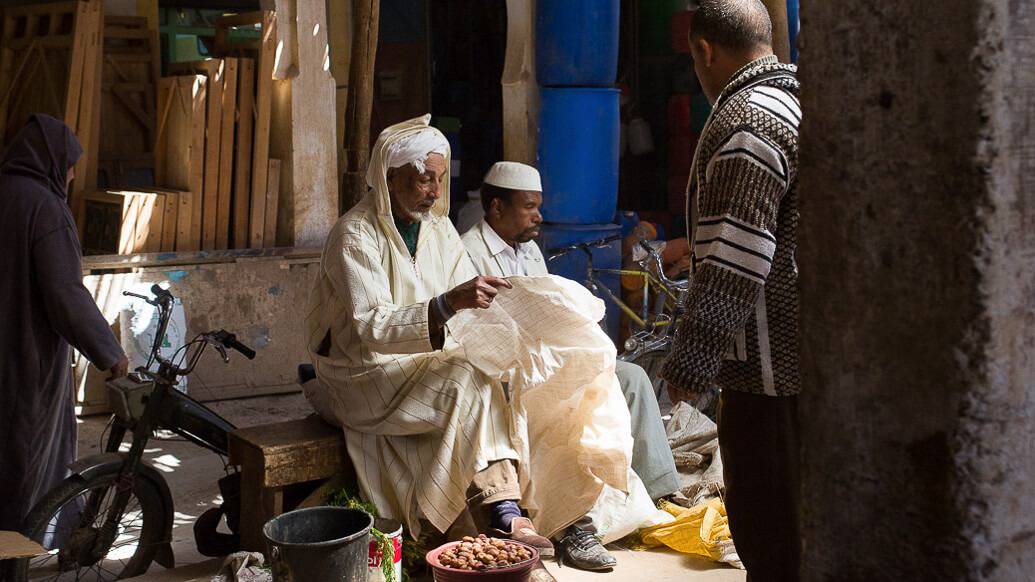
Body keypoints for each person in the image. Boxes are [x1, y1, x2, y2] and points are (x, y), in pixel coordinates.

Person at [304, 115, 646, 559]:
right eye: (423, 179)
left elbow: (473, 306)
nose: (432, 191)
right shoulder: (355, 235)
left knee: (522, 374)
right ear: (388, 177)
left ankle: (565, 515)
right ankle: (502, 509)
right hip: (365, 373)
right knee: (470, 381)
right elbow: (371, 327)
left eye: (438, 180)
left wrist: (526, 317)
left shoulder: (439, 229)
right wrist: (448, 304)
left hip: (426, 360)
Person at [460, 161, 681, 570]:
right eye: (529, 207)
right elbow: (479, 331)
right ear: (495, 207)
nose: (539, 216)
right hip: (504, 367)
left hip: (550, 357)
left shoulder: (528, 250)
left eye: (538, 206)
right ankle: (573, 522)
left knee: (629, 376)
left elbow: (551, 313)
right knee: (564, 401)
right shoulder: (468, 252)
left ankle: (660, 491)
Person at [661, 1, 802, 580]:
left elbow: (734, 262)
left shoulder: (747, 120)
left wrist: (689, 365)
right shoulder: (795, 98)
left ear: (704, 50)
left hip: (767, 374)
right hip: (807, 359)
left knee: (771, 535)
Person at [0, 114, 129, 532]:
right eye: (70, 164)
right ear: (52, 161)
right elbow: (64, 294)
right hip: (26, 360)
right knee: (28, 459)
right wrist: (109, 353)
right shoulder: (46, 209)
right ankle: (14, 554)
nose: (73, 175)